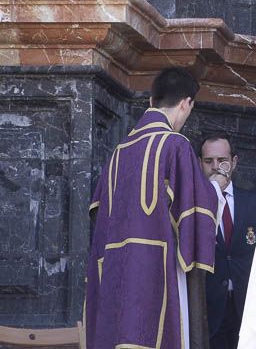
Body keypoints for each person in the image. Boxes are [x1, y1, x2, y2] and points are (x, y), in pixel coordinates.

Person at [85, 68, 217, 349]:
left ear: (150, 102)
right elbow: (194, 209)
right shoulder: (176, 145)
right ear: (186, 103)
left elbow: (99, 215)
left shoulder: (119, 151)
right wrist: (215, 187)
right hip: (159, 271)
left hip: (117, 274)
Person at [201, 131, 256, 349]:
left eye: (222, 160)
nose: (215, 166)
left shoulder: (255, 202)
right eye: (208, 161)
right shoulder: (195, 207)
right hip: (209, 309)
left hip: (248, 310)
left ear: (234, 162)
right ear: (199, 164)